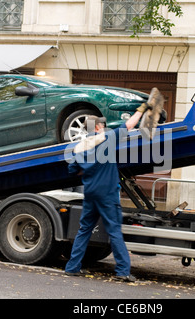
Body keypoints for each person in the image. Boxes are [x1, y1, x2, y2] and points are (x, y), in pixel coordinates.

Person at [64, 102, 151, 282]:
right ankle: (122, 271)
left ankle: (72, 267)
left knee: (84, 230)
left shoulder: (79, 147)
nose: (104, 127)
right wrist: (141, 109)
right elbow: (129, 125)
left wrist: (90, 170)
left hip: (91, 194)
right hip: (107, 194)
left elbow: (74, 171)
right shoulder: (107, 139)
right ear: (97, 127)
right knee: (114, 231)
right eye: (102, 125)